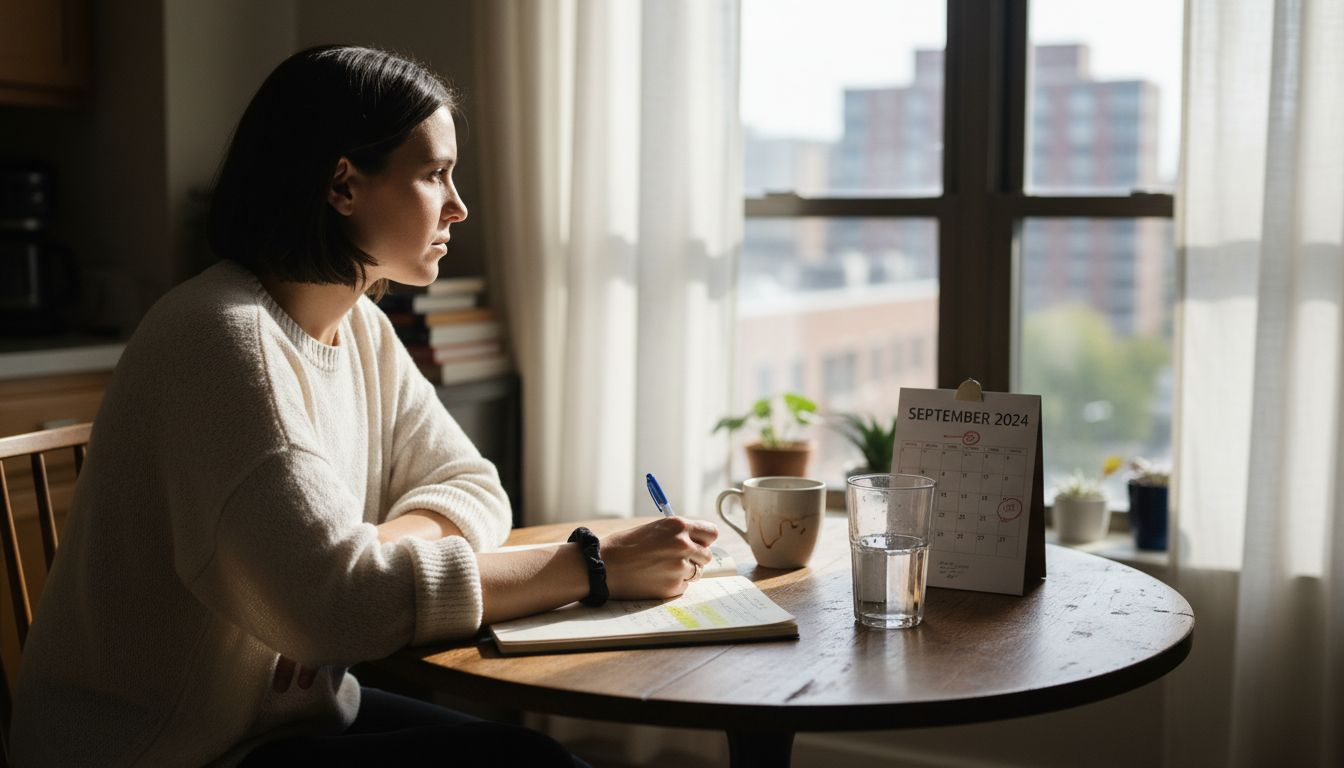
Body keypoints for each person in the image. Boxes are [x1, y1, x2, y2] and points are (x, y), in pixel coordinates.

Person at [9, 45, 718, 767]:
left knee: (536, 756)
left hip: (285, 720)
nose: (458, 205)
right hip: (162, 751)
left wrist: (374, 552)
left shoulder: (362, 329)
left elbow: (473, 487)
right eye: (435, 174)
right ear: (343, 186)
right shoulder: (220, 339)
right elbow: (341, 611)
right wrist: (592, 566)